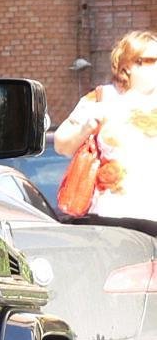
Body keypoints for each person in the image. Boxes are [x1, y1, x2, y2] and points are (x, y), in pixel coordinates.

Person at [53, 29, 157, 223]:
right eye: (152, 60)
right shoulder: (103, 98)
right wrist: (87, 128)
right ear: (128, 65)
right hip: (112, 217)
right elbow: (61, 144)